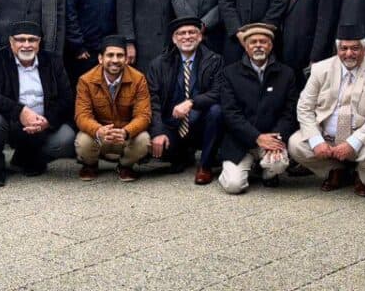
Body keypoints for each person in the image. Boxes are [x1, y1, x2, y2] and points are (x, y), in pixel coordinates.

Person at [289, 24, 365, 196]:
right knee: (295, 144)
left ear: (364, 49)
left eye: (355, 48)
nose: (349, 53)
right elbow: (304, 107)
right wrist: (316, 140)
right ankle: (335, 170)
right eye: (344, 48)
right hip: (327, 139)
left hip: (360, 140)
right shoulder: (320, 69)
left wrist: (352, 142)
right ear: (337, 49)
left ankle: (362, 177)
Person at [0, 22, 76, 187]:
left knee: (66, 138)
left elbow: (67, 98)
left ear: (39, 42)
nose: (26, 45)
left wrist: (47, 120)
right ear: (11, 42)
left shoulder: (52, 61)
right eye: (21, 40)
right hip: (9, 124)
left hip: (41, 126)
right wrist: (19, 111)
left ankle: (27, 158)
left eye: (32, 40)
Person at [217, 23, 299, 194]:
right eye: (253, 42)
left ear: (271, 46)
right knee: (233, 186)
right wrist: (256, 137)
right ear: (246, 47)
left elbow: (289, 113)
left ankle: (267, 173)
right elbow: (231, 114)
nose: (258, 45)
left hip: (272, 139)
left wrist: (276, 138)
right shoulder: (229, 73)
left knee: (278, 164)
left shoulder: (286, 74)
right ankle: (246, 167)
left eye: (263, 41)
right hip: (240, 142)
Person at [146, 16, 225, 183]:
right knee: (157, 147)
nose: (187, 36)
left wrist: (191, 102)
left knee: (217, 111)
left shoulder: (214, 60)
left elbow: (218, 92)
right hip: (172, 124)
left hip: (201, 124)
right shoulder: (159, 64)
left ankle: (205, 166)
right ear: (174, 39)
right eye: (181, 33)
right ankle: (181, 155)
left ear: (200, 36)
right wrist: (158, 132)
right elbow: (153, 102)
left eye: (192, 32)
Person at [74, 36, 152, 181]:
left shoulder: (138, 79)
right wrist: (98, 130)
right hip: (99, 136)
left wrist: (126, 132)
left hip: (125, 136)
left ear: (126, 59)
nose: (115, 60)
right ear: (100, 59)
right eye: (110, 55)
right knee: (82, 141)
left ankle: (125, 166)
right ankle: (90, 165)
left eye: (120, 55)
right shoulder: (86, 80)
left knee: (144, 140)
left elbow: (144, 115)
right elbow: (81, 115)